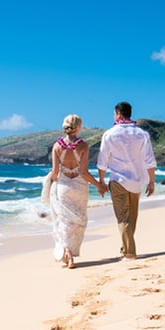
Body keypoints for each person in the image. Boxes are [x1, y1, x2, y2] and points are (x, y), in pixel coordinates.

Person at [97, 101, 156, 261]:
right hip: (137, 181)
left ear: (117, 114)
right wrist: (151, 181)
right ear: (129, 113)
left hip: (118, 180)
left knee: (123, 218)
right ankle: (125, 249)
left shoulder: (109, 134)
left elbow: (102, 161)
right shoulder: (142, 134)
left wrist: (101, 181)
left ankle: (130, 253)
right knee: (132, 218)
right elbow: (149, 160)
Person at [48, 113, 105, 268]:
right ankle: (71, 254)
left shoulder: (57, 146)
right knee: (78, 221)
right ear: (79, 128)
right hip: (79, 187)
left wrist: (48, 185)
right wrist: (99, 185)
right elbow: (84, 173)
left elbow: (54, 173)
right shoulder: (83, 146)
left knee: (64, 221)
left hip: (64, 187)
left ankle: (67, 253)